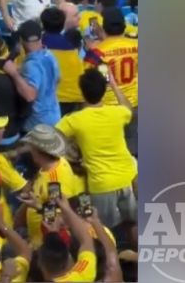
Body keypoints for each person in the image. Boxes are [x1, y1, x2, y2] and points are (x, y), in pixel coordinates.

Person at [56, 68, 137, 228]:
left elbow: (51, 137)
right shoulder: (118, 113)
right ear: (103, 89)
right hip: (128, 178)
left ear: (82, 92)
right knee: (134, 225)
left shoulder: (74, 120)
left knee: (106, 231)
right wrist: (113, 85)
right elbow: (129, 109)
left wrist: (70, 153)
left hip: (101, 184)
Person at [4, 20, 61, 128]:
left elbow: (30, 96)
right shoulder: (49, 55)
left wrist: (14, 74)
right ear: (41, 37)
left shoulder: (31, 65)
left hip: (38, 124)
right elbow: (58, 79)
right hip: (55, 115)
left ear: (21, 40)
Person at [39, 7, 85, 117]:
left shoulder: (35, 46)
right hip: (71, 99)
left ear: (42, 23)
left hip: (45, 99)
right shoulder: (72, 50)